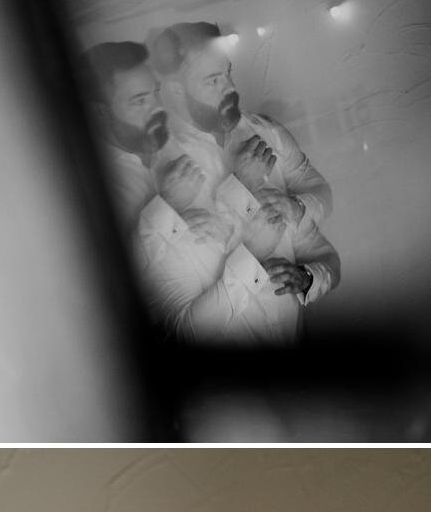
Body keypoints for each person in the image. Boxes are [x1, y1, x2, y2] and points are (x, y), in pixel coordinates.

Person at [140, 22, 340, 347]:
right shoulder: (163, 175)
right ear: (176, 90)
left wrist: (308, 277)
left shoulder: (267, 134)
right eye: (213, 80)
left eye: (228, 73)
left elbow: (323, 247)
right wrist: (239, 185)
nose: (230, 88)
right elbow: (184, 328)